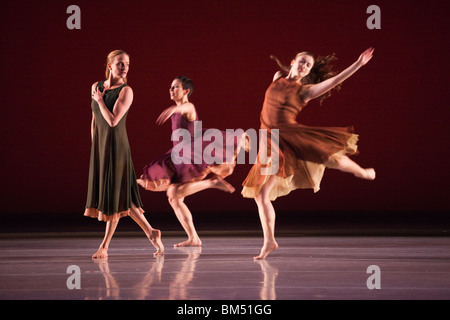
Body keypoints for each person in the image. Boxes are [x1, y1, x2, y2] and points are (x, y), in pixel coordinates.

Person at [242, 48, 376, 260]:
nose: (304, 67)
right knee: (260, 195)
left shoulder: (304, 91)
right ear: (294, 61)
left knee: (327, 155)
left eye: (308, 66)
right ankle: (269, 241)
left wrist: (358, 64)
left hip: (290, 135)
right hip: (270, 141)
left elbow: (332, 82)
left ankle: (362, 172)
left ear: (308, 71)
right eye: (302, 62)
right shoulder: (277, 77)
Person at [138, 76, 240, 247]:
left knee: (173, 195)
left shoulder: (188, 108)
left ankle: (212, 182)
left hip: (192, 157)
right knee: (174, 198)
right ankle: (194, 238)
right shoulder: (178, 109)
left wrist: (172, 109)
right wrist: (173, 110)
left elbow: (187, 106)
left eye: (175, 87)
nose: (171, 90)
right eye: (170, 87)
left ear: (186, 91)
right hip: (179, 156)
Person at [84, 50, 164, 259]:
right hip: (101, 148)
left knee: (114, 198)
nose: (125, 67)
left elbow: (112, 121)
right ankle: (151, 232)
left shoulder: (126, 91)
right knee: (122, 199)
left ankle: (104, 247)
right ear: (110, 65)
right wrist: (95, 146)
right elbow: (95, 119)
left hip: (117, 148)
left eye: (127, 64)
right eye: (120, 63)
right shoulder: (96, 87)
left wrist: (101, 101)